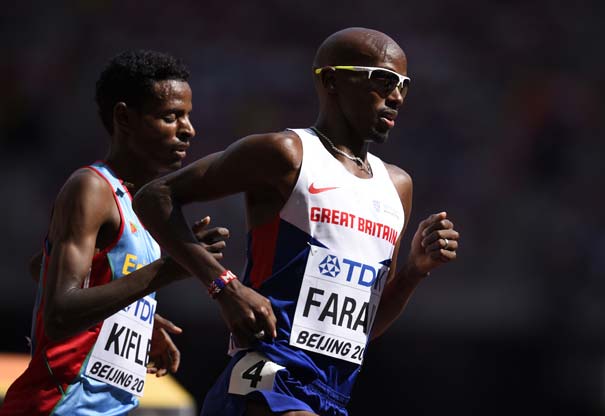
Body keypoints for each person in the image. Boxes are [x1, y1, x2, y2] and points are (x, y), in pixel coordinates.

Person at [133, 27, 460, 416]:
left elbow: (361, 330)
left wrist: (412, 273)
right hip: (267, 373)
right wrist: (224, 286)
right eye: (383, 80)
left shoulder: (397, 186)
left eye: (404, 85)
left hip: (333, 390)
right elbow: (155, 197)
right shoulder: (286, 153)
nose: (397, 97)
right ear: (333, 80)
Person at [0, 50, 229, 415]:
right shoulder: (91, 188)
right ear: (124, 118)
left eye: (187, 116)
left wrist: (136, 316)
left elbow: (41, 267)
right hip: (58, 407)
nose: (188, 129)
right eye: (170, 117)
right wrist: (167, 271)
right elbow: (59, 315)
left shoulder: (141, 205)